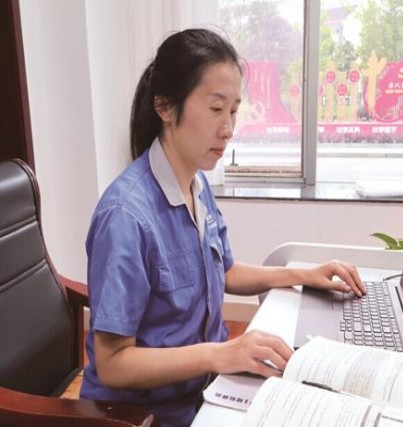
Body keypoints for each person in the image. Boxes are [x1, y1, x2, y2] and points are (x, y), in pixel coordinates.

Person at [80, 28, 366, 427]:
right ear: (164, 106)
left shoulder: (196, 184)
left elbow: (225, 271)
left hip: (207, 389)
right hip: (145, 415)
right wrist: (220, 353)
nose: (229, 128)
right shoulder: (125, 217)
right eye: (216, 109)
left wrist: (303, 274)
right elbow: (113, 364)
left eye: (233, 110)